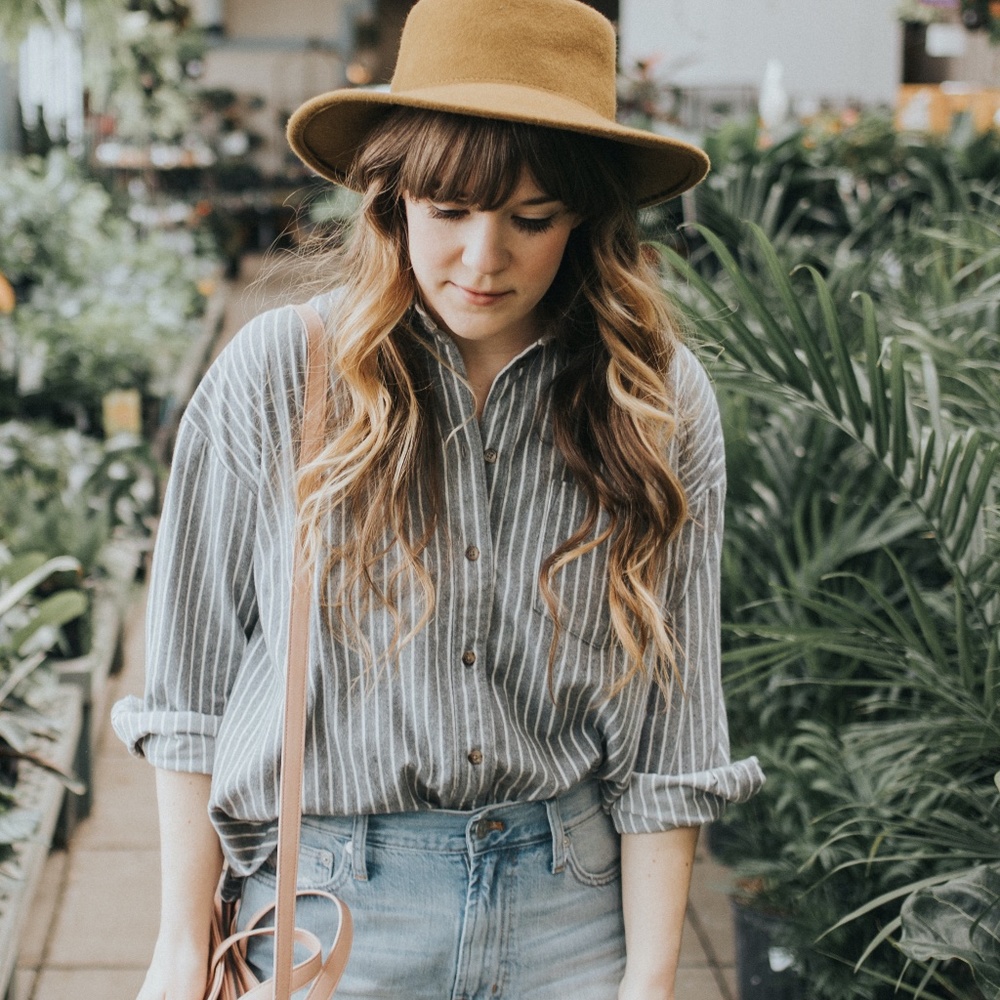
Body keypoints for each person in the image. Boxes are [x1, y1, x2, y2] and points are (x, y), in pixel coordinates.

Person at [113, 0, 764, 997]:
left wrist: (653, 978)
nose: (482, 257)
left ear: (586, 216)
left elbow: (673, 733)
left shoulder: (654, 400)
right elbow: (191, 694)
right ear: (392, 200)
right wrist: (171, 954)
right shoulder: (280, 376)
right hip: (329, 919)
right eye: (448, 211)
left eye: (529, 217)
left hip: (571, 922)